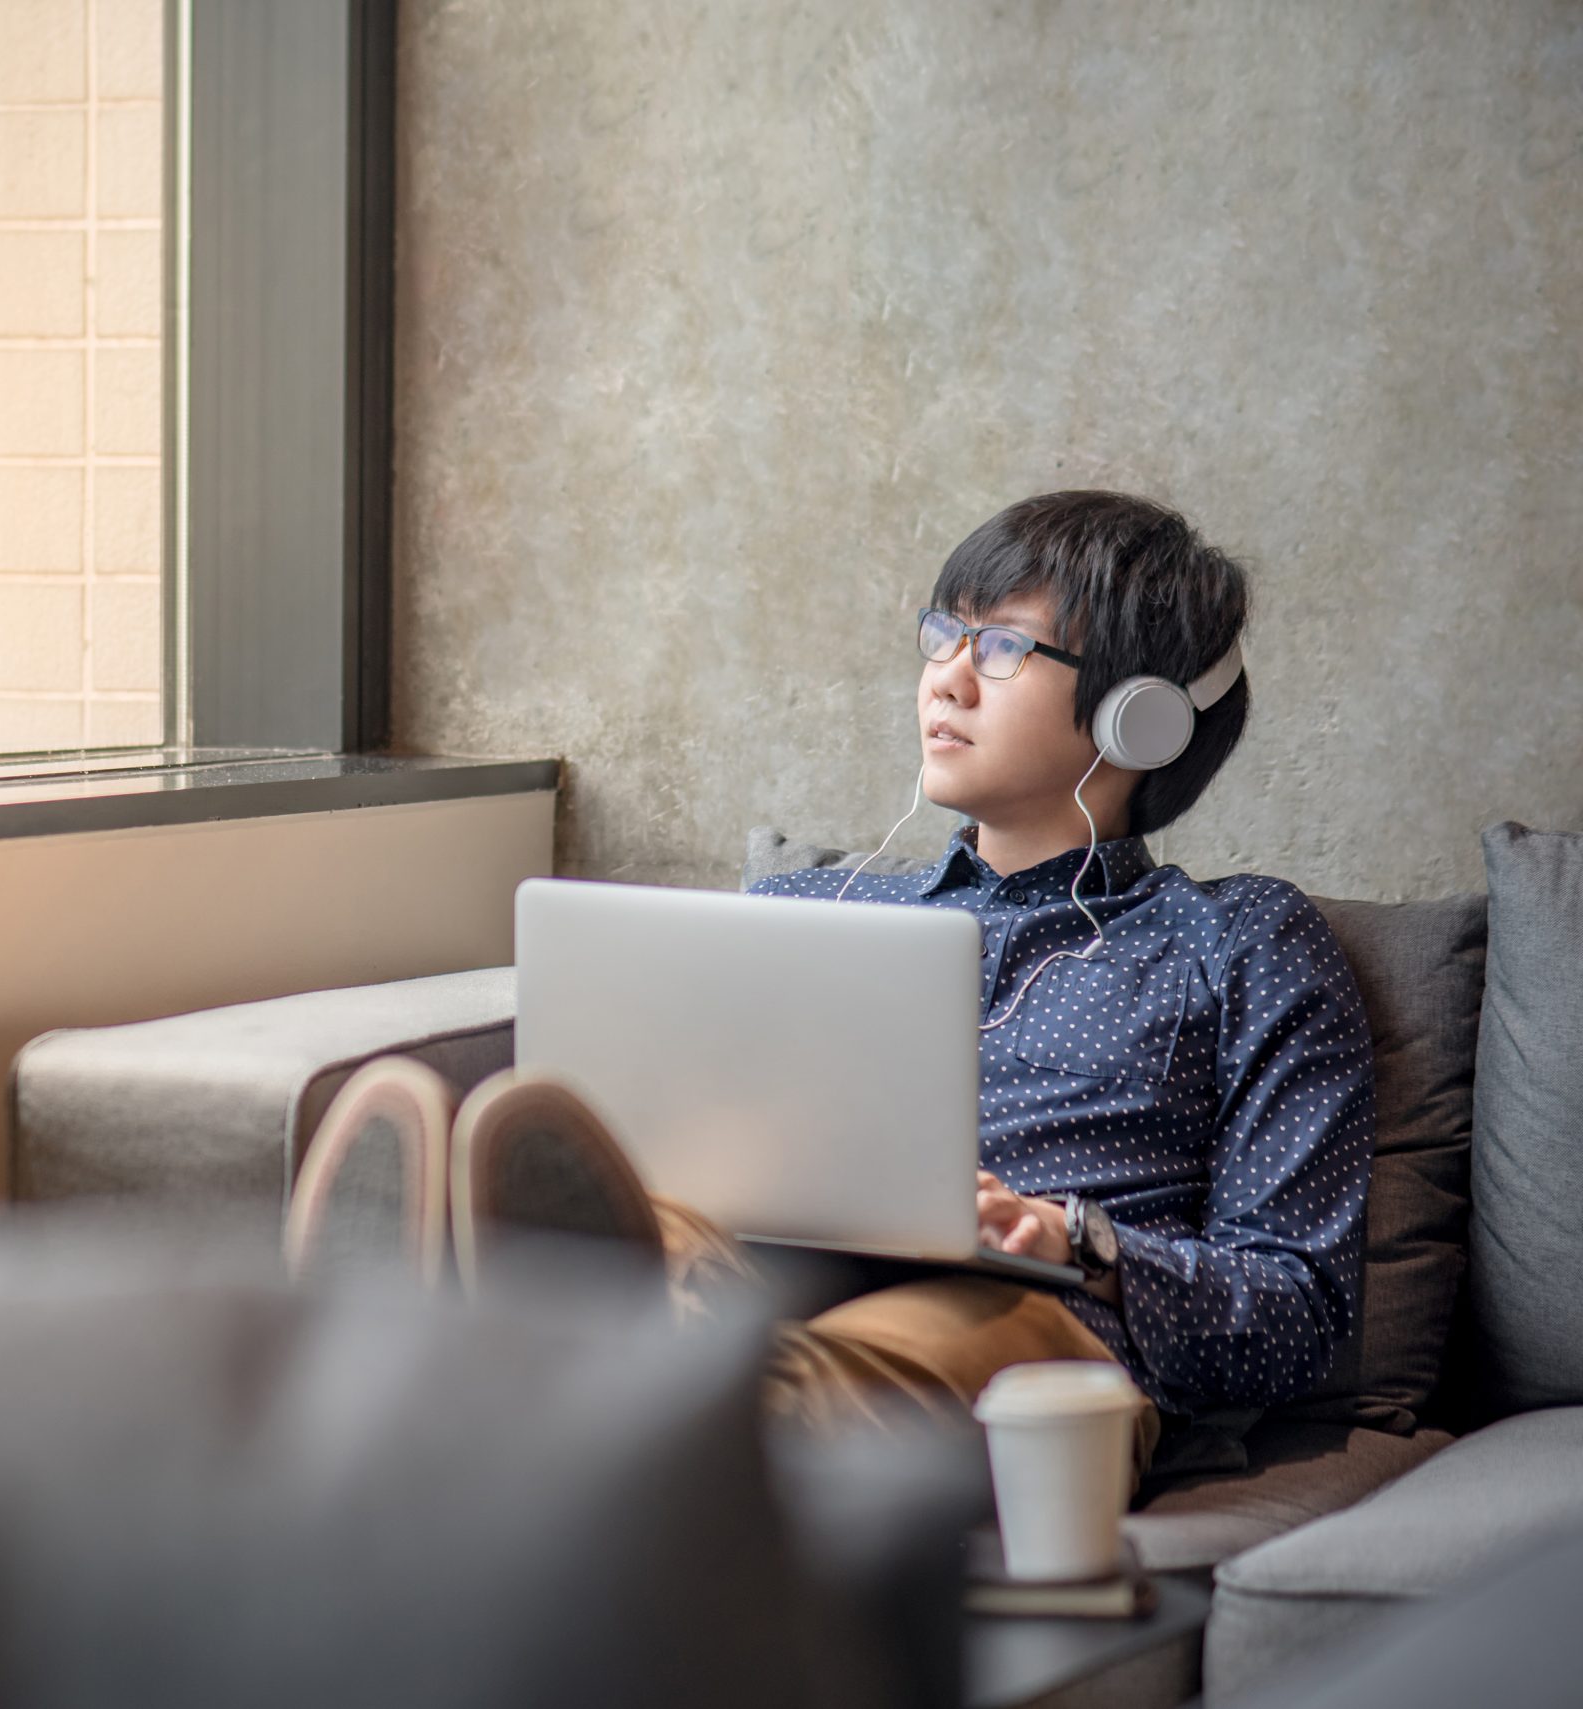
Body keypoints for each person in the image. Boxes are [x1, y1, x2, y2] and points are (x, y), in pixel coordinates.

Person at [283, 491, 1377, 1492]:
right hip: (757, 1260)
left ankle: (501, 1373)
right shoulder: (808, 907)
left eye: (1000, 646)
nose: (944, 675)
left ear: (1139, 717)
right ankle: (488, 1315)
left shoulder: (1239, 940)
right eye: (940, 633)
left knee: (819, 1378)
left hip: (1044, 1319)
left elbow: (1300, 1301)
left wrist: (1076, 1235)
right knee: (655, 1238)